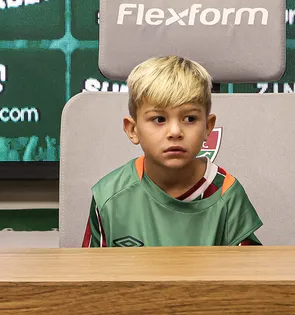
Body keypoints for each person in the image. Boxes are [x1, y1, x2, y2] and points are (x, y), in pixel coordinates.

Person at [84, 56, 263, 247]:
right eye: (159, 119)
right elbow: (93, 274)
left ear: (208, 128)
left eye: (190, 119)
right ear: (133, 129)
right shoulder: (109, 195)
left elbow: (247, 274)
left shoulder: (227, 194)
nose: (175, 132)